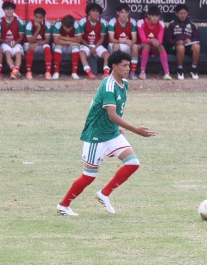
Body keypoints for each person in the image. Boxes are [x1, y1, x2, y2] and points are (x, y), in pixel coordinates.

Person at [57, 50, 156, 217]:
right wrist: (136, 130)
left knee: (133, 163)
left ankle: (104, 193)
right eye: (124, 65)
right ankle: (63, 205)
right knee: (89, 175)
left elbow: (110, 112)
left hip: (111, 133)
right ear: (114, 66)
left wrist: (117, 128)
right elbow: (111, 114)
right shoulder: (108, 85)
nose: (128, 67)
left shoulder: (124, 84)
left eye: (129, 64)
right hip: (96, 135)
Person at [135, 6, 170, 80]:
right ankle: (142, 72)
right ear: (148, 16)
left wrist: (156, 42)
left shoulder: (161, 24)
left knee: (161, 46)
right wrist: (151, 40)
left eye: (157, 16)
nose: (155, 18)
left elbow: (160, 40)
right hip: (142, 47)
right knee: (147, 45)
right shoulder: (141, 22)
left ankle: (167, 73)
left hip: (154, 47)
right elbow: (143, 39)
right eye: (153, 15)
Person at [169, 4, 202, 79]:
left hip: (189, 47)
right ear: (176, 14)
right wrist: (176, 42)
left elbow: (197, 37)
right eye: (180, 13)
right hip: (176, 47)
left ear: (187, 13)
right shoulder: (172, 24)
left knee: (197, 46)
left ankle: (194, 69)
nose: (183, 15)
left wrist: (190, 40)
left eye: (184, 13)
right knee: (181, 47)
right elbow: (168, 39)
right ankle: (180, 69)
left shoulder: (192, 24)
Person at [78, 3, 110, 78]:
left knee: (107, 54)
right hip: (86, 45)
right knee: (81, 53)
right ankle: (89, 73)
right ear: (89, 12)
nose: (96, 13)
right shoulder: (83, 21)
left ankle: (106, 73)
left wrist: (95, 48)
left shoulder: (103, 22)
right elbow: (80, 38)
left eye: (97, 11)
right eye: (93, 11)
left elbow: (102, 38)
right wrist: (89, 47)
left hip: (97, 45)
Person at [0, 0, 27, 79]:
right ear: (4, 10)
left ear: (14, 10)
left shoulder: (19, 21)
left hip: (16, 42)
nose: (9, 11)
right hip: (5, 42)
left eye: (11, 9)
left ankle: (15, 71)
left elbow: (21, 36)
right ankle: (14, 70)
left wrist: (15, 42)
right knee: (7, 53)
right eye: (7, 9)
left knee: (18, 54)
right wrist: (6, 42)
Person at [26, 6, 56, 80]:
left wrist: (37, 44)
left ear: (44, 17)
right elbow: (30, 41)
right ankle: (28, 71)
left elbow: (47, 40)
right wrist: (38, 29)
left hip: (41, 43)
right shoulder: (29, 24)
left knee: (47, 47)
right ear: (34, 16)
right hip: (30, 43)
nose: (38, 19)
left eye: (40, 18)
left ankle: (48, 72)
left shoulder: (47, 24)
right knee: (30, 47)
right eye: (36, 17)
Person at [55, 11, 85, 79]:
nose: (68, 30)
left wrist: (62, 37)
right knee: (58, 47)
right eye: (66, 28)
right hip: (60, 45)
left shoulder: (76, 24)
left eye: (69, 28)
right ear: (63, 24)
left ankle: (74, 73)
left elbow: (79, 40)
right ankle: (56, 72)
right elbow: (56, 40)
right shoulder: (58, 24)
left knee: (75, 48)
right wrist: (72, 41)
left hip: (67, 45)